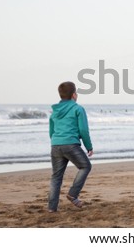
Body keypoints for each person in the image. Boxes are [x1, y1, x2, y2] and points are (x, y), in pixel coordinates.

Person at [48, 81, 94, 212]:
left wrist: (57, 141)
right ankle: (73, 194)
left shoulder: (54, 111)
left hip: (56, 145)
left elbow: (51, 131)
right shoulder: (78, 108)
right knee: (85, 166)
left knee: (56, 177)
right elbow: (84, 130)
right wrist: (89, 146)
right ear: (74, 95)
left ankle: (52, 208)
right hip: (71, 145)